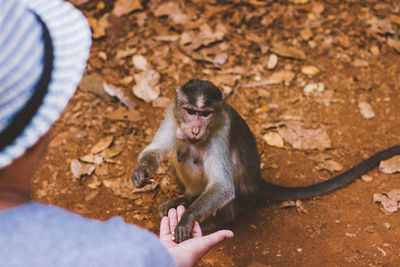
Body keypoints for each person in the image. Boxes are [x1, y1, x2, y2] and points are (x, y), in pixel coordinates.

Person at [0, 1, 233, 266]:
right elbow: (155, 150)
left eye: (205, 115)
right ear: (41, 133)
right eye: (190, 112)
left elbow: (225, 187)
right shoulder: (127, 251)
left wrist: (188, 216)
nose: (196, 124)